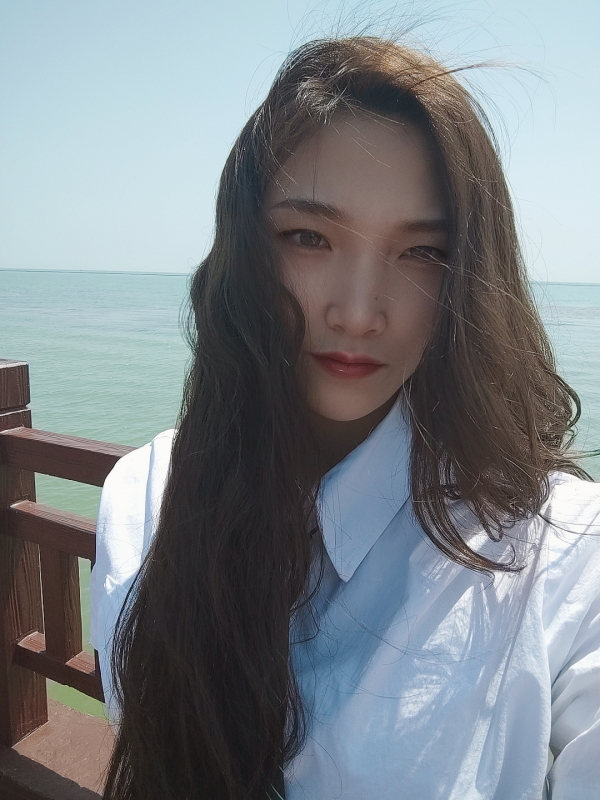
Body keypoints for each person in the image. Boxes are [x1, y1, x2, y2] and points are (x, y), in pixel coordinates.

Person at [90, 36, 600, 800]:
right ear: (246, 252)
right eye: (309, 238)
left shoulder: (554, 549)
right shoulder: (145, 495)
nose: (359, 312)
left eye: (422, 252)